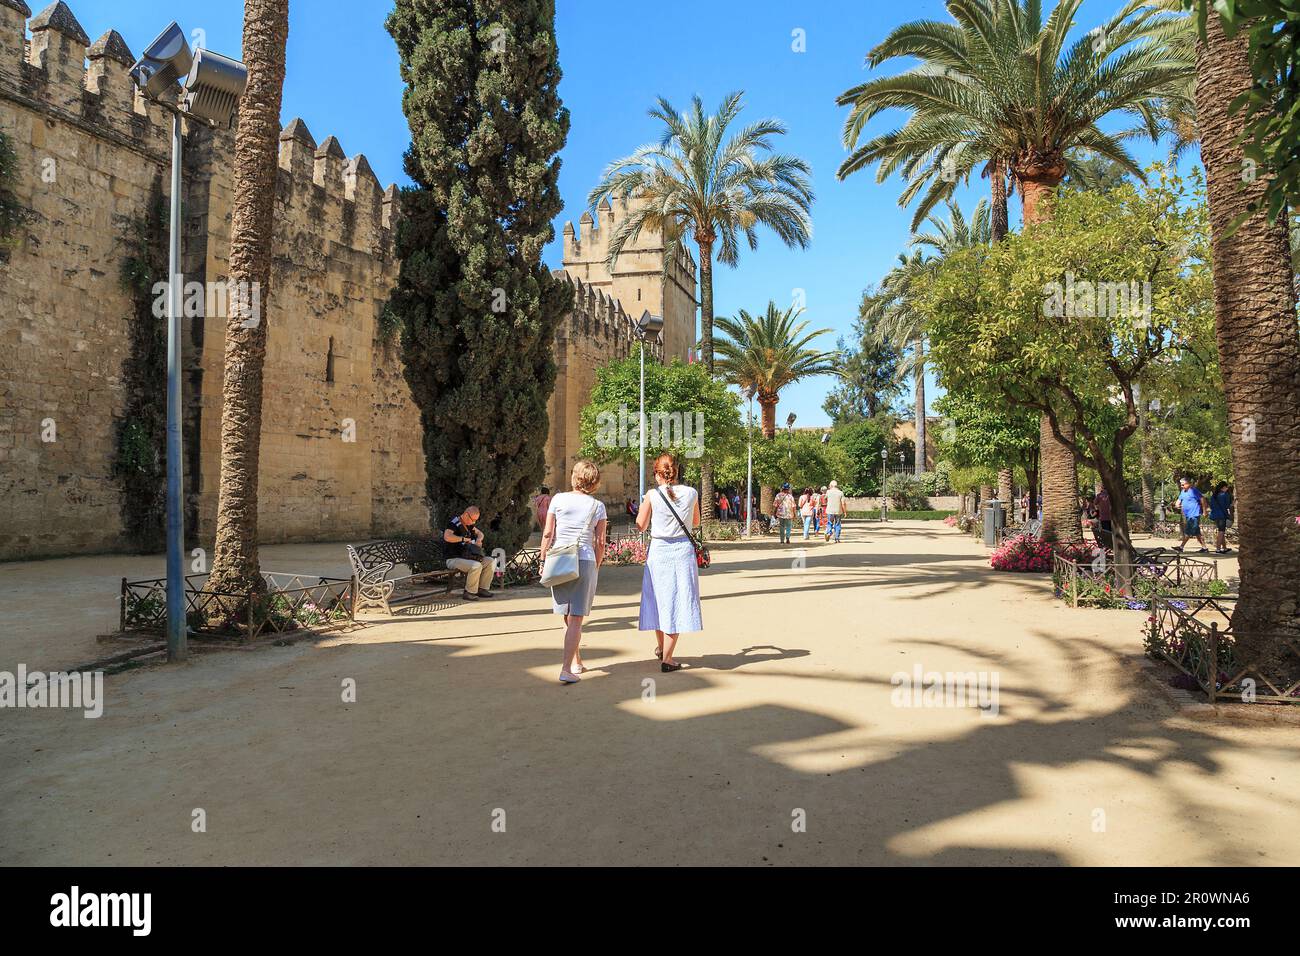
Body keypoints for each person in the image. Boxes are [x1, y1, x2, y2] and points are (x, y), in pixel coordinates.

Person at [540, 461, 608, 684]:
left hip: (559, 559)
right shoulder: (597, 506)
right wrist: (597, 564)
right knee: (576, 618)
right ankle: (566, 668)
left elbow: (549, 533)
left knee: (567, 616)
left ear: (574, 477)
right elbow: (600, 542)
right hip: (584, 559)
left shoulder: (558, 499)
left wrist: (542, 559)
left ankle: (576, 661)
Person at [636, 453, 702, 672]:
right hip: (682, 549)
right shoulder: (691, 493)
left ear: (657, 474)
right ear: (676, 472)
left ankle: (663, 650)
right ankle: (668, 656)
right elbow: (696, 521)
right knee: (678, 599)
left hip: (659, 550)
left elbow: (641, 525)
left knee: (659, 598)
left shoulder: (652, 495)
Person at [444, 505, 497, 601]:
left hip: (468, 557)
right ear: (465, 515)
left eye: (475, 520)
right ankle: (469, 592)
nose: (474, 522)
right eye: (472, 520)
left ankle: (482, 589)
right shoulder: (454, 523)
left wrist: (479, 540)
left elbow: (481, 534)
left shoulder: (469, 525)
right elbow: (447, 537)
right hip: (453, 559)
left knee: (490, 561)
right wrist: (463, 539)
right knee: (476, 566)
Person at [1173, 477, 1209, 553]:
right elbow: (1179, 500)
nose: (1181, 486)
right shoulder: (1183, 492)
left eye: (1183, 485)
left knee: (1188, 531)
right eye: (1181, 485)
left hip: (1194, 515)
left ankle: (1181, 547)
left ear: (1188, 484)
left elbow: (1203, 499)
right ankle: (1204, 548)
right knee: (1197, 533)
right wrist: (1177, 505)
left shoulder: (1194, 491)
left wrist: (1205, 511)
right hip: (1188, 515)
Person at [1209, 481, 1234, 554]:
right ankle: (1218, 548)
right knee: (1221, 531)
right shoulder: (1225, 495)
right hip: (1222, 515)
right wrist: (1232, 504)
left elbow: (1211, 505)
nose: (1227, 488)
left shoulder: (1214, 495)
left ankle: (1224, 548)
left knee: (1220, 530)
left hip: (1215, 515)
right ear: (1223, 487)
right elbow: (1227, 506)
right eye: (1226, 487)